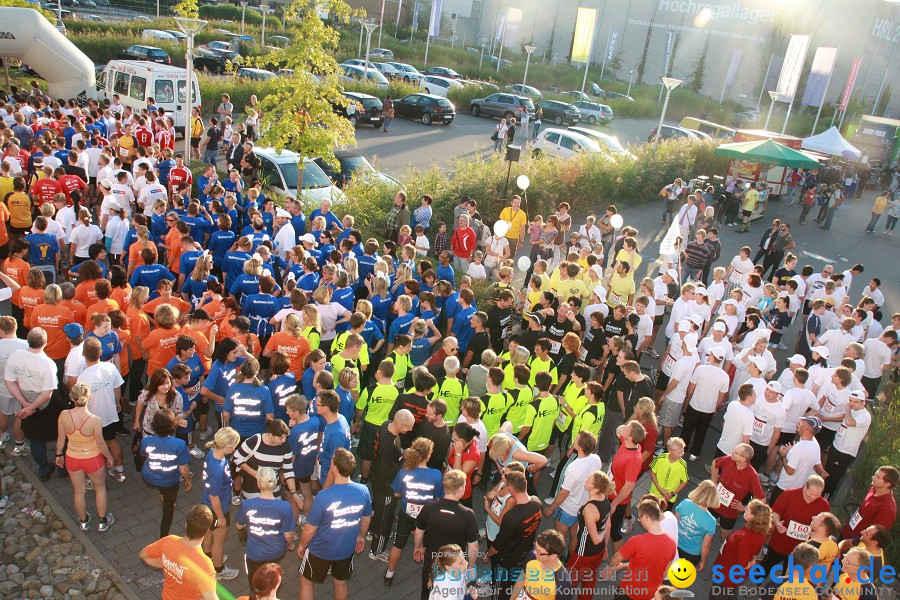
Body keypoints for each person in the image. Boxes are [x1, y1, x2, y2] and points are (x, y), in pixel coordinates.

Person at [296, 448, 372, 600]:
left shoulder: (324, 497)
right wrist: (361, 537)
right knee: (341, 582)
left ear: (334, 467)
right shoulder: (363, 490)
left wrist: (302, 545)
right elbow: (366, 519)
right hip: (346, 548)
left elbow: (310, 529)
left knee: (306, 581)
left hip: (320, 549)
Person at [55, 382, 115, 532]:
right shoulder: (95, 420)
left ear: (71, 398)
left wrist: (58, 455)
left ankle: (83, 521)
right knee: (100, 489)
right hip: (92, 458)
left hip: (72, 458)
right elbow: (101, 444)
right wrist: (109, 457)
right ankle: (102, 521)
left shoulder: (64, 415)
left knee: (79, 491)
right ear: (89, 398)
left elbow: (61, 439)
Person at [413, 469, 480, 600]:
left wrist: (418, 547)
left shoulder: (429, 507)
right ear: (461, 489)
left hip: (432, 559)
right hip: (454, 562)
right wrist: (470, 567)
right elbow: (473, 547)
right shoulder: (467, 514)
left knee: (427, 591)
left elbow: (418, 531)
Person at [4, 328, 60, 479]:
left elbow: (9, 381)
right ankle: (63, 466)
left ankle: (43, 468)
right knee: (61, 432)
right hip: (45, 401)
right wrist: (31, 407)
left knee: (36, 437)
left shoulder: (16, 356)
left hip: (26, 396)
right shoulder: (47, 363)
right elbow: (47, 393)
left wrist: (24, 404)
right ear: (45, 343)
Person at [235, 467, 295, 599]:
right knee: (270, 580)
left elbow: (239, 525)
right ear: (275, 483)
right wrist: (290, 544)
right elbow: (288, 534)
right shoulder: (284, 507)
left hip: (254, 553)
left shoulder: (248, 504)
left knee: (254, 583)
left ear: (258, 484)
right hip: (276, 552)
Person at [139, 505, 218, 600]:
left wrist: (166, 563)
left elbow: (143, 555)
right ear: (206, 532)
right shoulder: (205, 565)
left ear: (186, 525)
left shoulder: (168, 541)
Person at [606, 498, 677, 600]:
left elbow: (614, 560)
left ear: (646, 517)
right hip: (651, 594)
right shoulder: (672, 543)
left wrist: (610, 569)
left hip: (629, 591)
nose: (640, 521)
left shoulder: (636, 541)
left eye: (640, 518)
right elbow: (664, 571)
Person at [488, 469, 542, 600]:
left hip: (507, 560)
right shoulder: (537, 503)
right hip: (525, 555)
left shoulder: (512, 516)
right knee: (516, 584)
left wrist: (488, 553)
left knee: (500, 592)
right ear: (525, 484)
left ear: (511, 489)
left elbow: (498, 544)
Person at [140, 408, 192, 538]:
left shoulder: (146, 440)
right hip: (169, 480)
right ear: (173, 425)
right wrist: (188, 480)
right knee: (167, 512)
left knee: (162, 488)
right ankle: (163, 537)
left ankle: (163, 495)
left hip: (149, 476)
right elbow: (183, 469)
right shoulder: (179, 444)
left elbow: (143, 454)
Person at [763, 475, 830, 571]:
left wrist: (816, 533)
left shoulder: (824, 506)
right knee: (766, 566)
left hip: (801, 551)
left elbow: (824, 526)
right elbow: (776, 511)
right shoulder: (789, 494)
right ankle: (756, 584)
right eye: (811, 493)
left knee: (790, 575)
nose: (813, 497)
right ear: (805, 486)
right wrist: (777, 523)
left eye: (817, 495)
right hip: (779, 543)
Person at [201, 426, 242, 581]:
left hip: (206, 505)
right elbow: (214, 497)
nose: (236, 448)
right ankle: (219, 570)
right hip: (217, 508)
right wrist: (221, 517)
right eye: (235, 445)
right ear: (228, 447)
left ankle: (207, 558)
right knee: (220, 540)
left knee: (208, 534)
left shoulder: (213, 454)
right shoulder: (217, 469)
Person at [567, 470, 614, 600]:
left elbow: (595, 538)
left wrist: (603, 533)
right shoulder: (604, 499)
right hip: (597, 552)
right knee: (589, 578)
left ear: (596, 488)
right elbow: (608, 525)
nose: (585, 480)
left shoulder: (590, 509)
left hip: (584, 552)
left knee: (568, 582)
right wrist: (605, 547)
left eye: (589, 481)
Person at [510, 529, 575, 600]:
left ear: (553, 556)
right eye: (535, 548)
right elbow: (522, 579)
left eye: (539, 552)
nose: (534, 552)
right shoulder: (532, 556)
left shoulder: (563, 582)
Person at [840, 465, 898, 540]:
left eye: (878, 477)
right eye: (875, 474)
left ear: (887, 484)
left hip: (856, 544)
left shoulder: (887, 509)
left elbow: (876, 535)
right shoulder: (873, 489)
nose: (873, 477)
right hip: (847, 532)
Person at [674, 480, 720, 570]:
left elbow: (675, 523)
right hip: (691, 554)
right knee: (681, 577)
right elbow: (706, 545)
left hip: (675, 544)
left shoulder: (685, 503)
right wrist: (703, 561)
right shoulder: (711, 521)